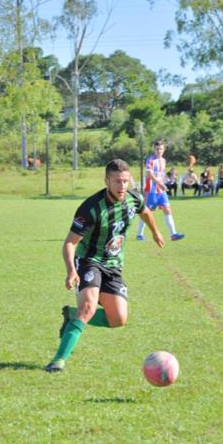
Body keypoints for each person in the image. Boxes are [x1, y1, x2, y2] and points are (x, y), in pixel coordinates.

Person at [45, 159, 165, 372]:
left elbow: (145, 211)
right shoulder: (91, 208)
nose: (122, 186)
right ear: (107, 181)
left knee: (118, 319)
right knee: (88, 307)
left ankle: (72, 316)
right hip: (89, 261)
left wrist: (155, 232)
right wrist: (71, 270)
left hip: (114, 266)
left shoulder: (133, 198)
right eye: (117, 181)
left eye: (125, 181)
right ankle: (58, 361)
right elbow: (70, 243)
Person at [136, 140, 185, 241]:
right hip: (151, 191)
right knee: (147, 212)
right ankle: (139, 234)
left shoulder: (163, 160)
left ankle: (173, 234)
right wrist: (159, 184)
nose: (159, 151)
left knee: (167, 210)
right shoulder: (150, 160)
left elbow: (161, 174)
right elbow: (150, 174)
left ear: (164, 150)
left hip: (161, 191)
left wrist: (164, 183)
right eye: (157, 149)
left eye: (161, 149)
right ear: (154, 149)